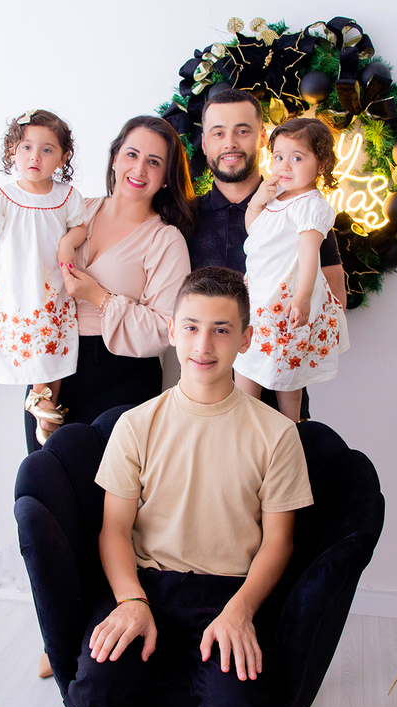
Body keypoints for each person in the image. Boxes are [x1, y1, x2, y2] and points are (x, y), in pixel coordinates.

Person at [67, 267, 313, 707]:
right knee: (97, 687)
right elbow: (114, 530)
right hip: (146, 586)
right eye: (192, 327)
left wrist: (241, 610)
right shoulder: (136, 424)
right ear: (172, 331)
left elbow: (279, 542)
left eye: (222, 330)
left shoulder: (276, 435)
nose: (204, 345)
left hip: (229, 595)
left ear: (246, 338)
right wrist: (130, 600)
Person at [20, 115, 194, 453]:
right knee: (42, 477)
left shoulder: (166, 240)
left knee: (105, 484)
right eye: (132, 154)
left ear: (166, 177)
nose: (139, 169)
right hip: (48, 367)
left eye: (154, 162)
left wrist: (98, 296)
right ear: (115, 158)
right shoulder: (71, 209)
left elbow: (164, 330)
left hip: (120, 376)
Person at [189, 88, 346, 420]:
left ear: (261, 138)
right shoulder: (187, 217)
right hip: (203, 399)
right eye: (218, 133)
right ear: (204, 143)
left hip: (281, 372)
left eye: (242, 131)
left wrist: (294, 311)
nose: (230, 143)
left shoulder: (304, 210)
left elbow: (333, 295)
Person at [0, 109, 88, 445]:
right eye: (27, 148)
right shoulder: (4, 196)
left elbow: (79, 227)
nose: (35, 156)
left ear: (63, 157)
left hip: (50, 287)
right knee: (31, 346)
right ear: (13, 152)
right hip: (17, 288)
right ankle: (41, 406)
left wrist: (67, 242)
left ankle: (43, 403)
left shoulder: (66, 196)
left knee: (53, 350)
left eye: (47, 150)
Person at [233, 117, 349, 422]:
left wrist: (302, 298)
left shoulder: (311, 205)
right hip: (259, 295)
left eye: (296, 158)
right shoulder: (276, 198)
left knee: (287, 374)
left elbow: (311, 255)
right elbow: (255, 232)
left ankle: (292, 427)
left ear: (321, 164)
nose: (284, 166)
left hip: (283, 302)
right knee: (248, 362)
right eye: (278, 157)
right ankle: (242, 426)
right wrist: (256, 204)